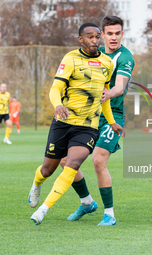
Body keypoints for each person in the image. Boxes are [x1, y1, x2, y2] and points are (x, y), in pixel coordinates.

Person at [28, 22, 125, 226]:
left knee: (72, 164)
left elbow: (103, 97)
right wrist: (57, 106)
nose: (94, 41)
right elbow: (55, 88)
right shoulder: (70, 59)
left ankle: (43, 210)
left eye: (97, 37)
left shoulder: (107, 63)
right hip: (63, 123)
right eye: (89, 37)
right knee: (47, 169)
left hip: (88, 127)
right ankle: (37, 184)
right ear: (80, 39)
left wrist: (112, 122)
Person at [61, 16, 135, 226]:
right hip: (88, 115)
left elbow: (120, 86)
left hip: (113, 115)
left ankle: (109, 214)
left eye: (117, 33)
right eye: (109, 33)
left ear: (122, 34)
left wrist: (107, 94)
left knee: (98, 160)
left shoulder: (125, 57)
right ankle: (86, 202)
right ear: (102, 35)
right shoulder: (94, 54)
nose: (113, 37)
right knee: (65, 161)